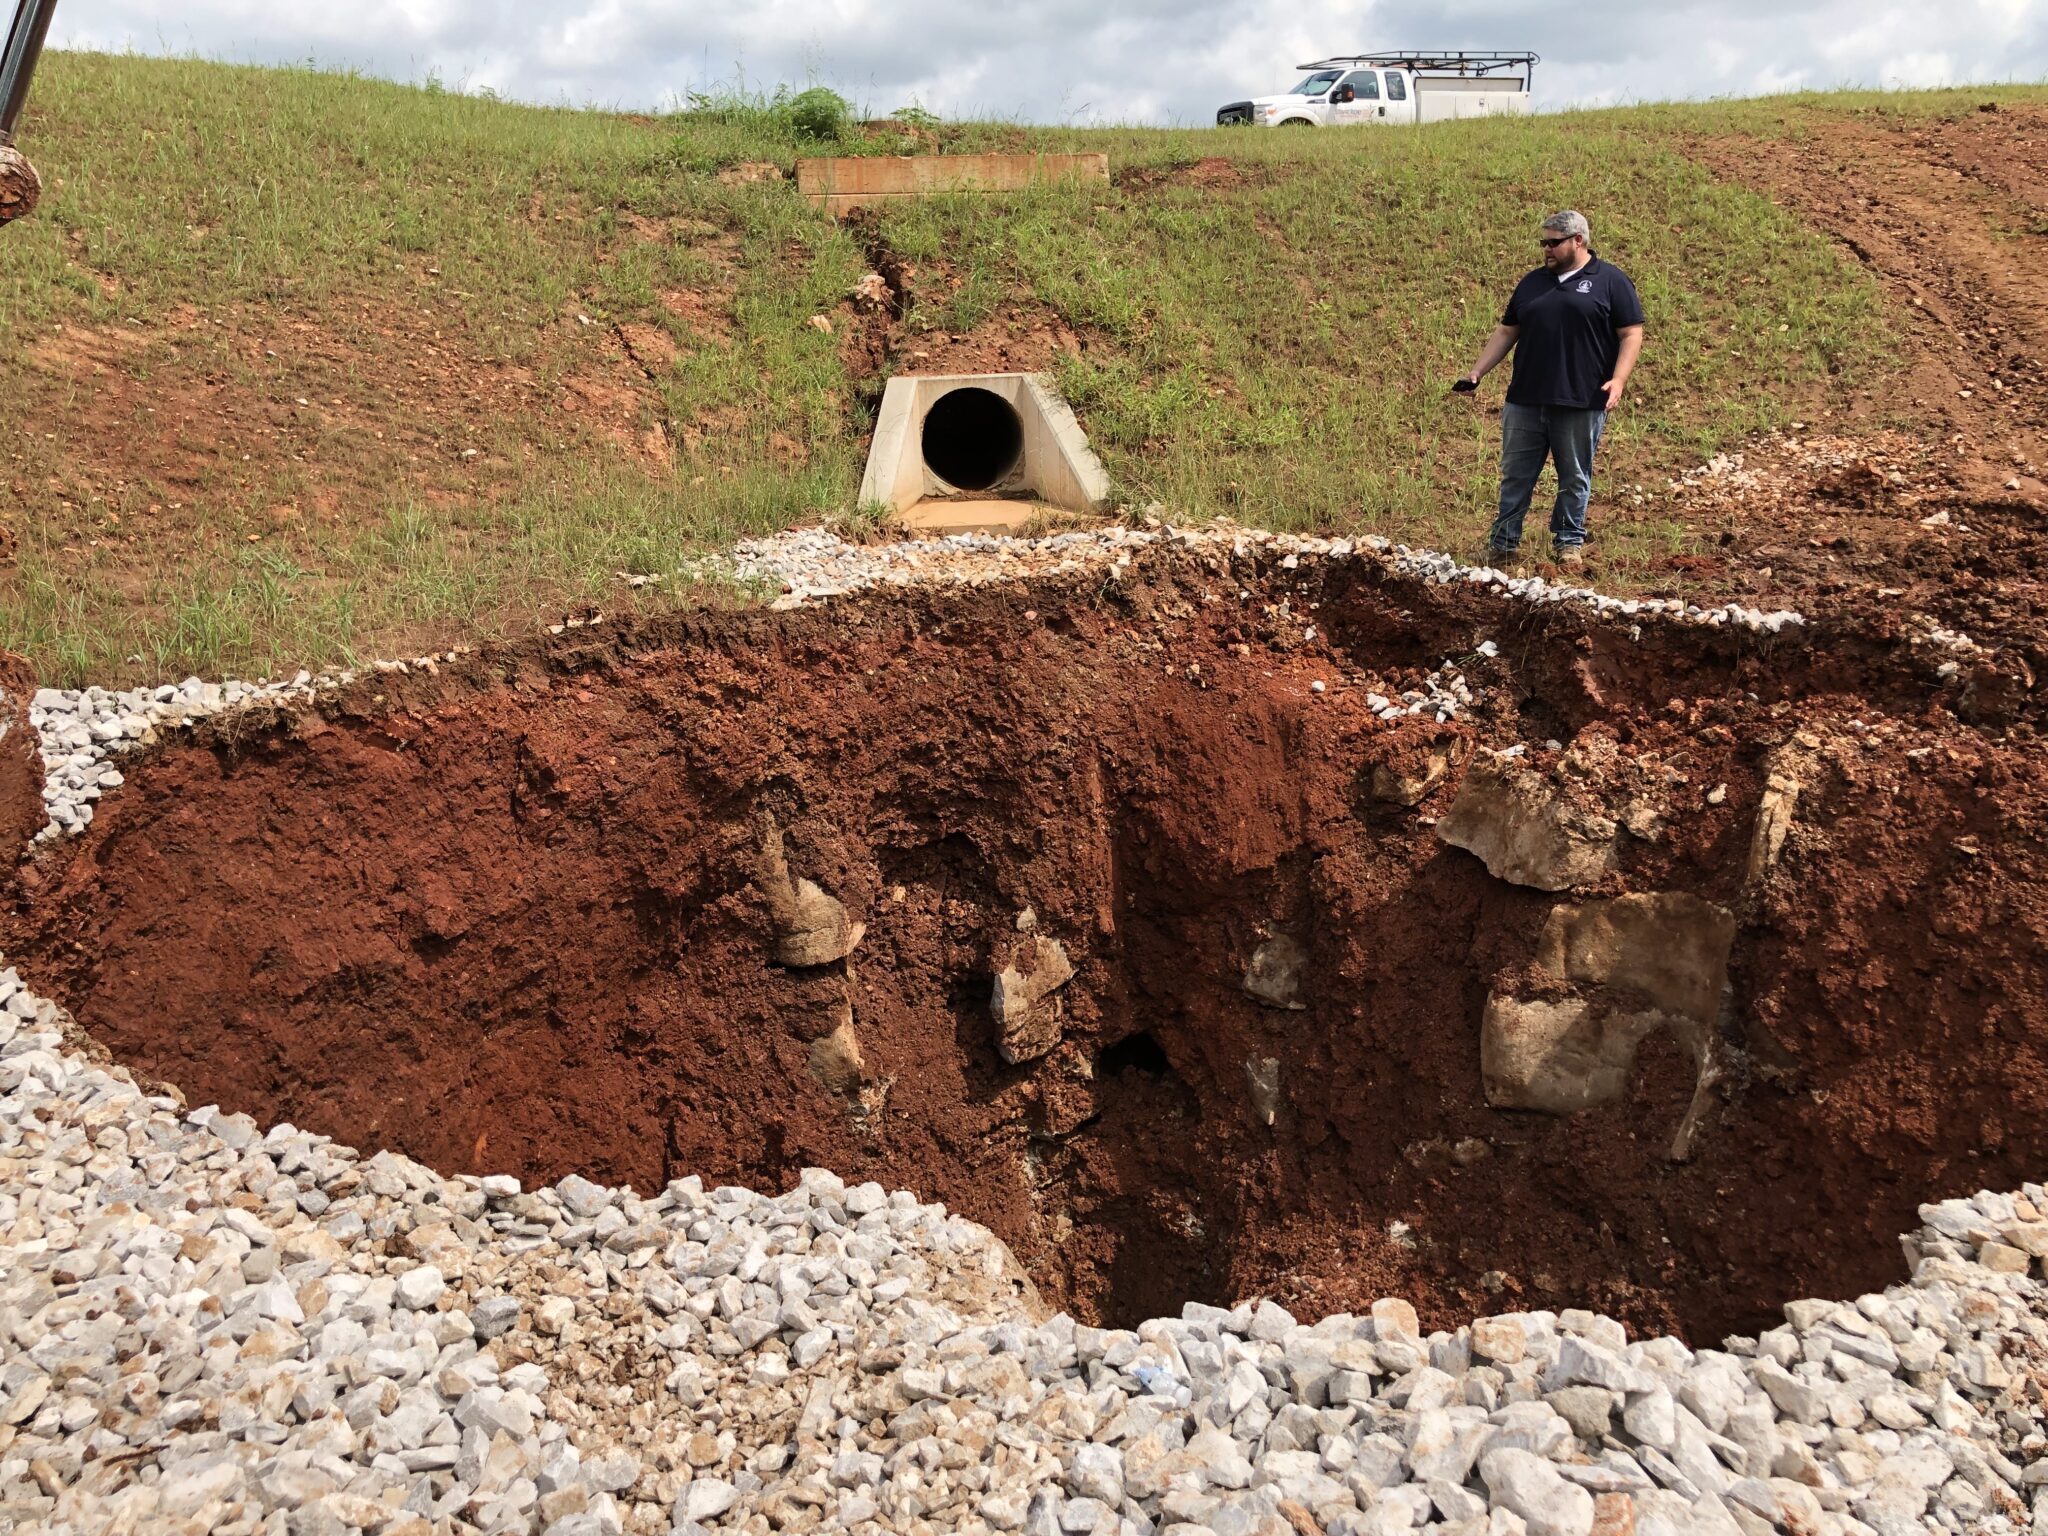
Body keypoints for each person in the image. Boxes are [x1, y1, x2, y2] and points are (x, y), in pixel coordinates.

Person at [1455, 210, 1644, 566]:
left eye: (1554, 242)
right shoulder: (1532, 282)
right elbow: (1508, 331)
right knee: (1516, 475)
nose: (1546, 249)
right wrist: (1478, 371)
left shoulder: (1609, 281)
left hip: (1581, 399)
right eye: (1543, 242)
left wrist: (1618, 380)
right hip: (1525, 398)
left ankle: (1568, 544)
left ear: (1578, 241)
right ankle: (1503, 545)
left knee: (1574, 476)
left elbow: (1631, 333)